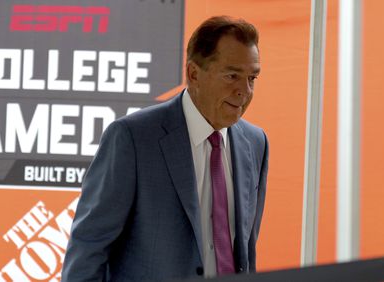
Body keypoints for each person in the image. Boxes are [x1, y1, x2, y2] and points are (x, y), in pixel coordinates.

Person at [61, 15, 269, 282]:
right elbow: (88, 247)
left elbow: (245, 253)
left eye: (253, 77)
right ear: (194, 73)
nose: (245, 90)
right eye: (232, 76)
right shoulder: (132, 138)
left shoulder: (256, 143)